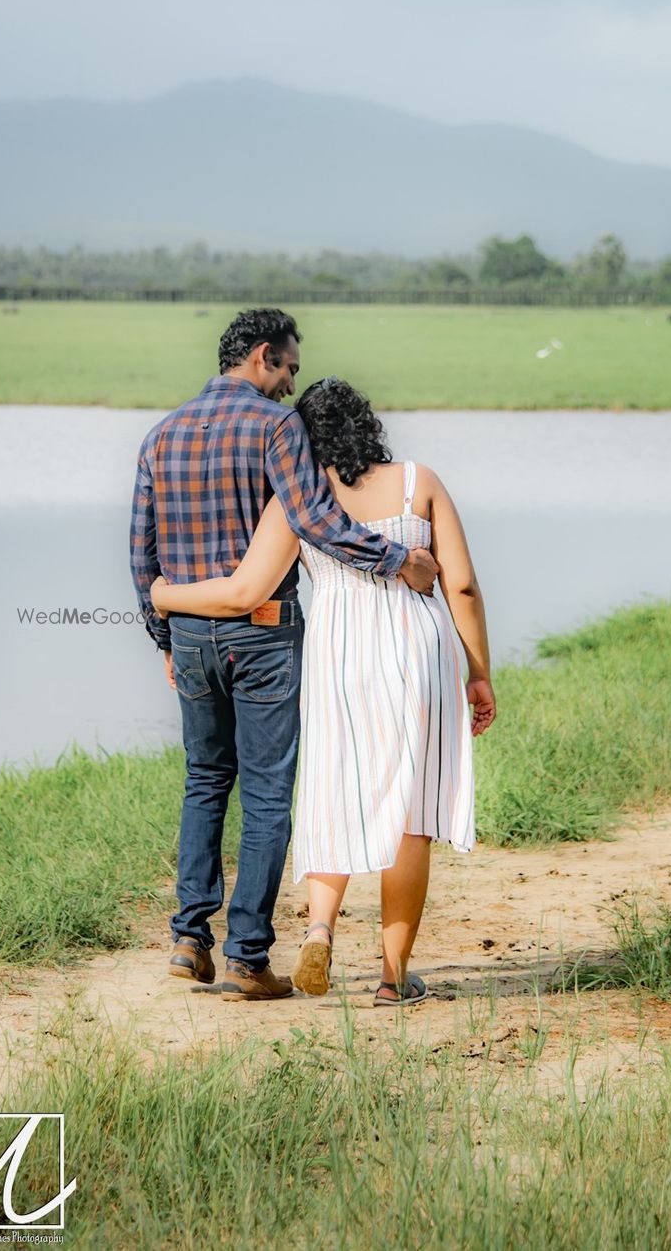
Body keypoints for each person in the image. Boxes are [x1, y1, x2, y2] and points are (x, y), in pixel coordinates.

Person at [151, 377, 496, 1006]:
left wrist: (165, 595)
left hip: (337, 656)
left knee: (334, 790)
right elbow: (463, 587)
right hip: (416, 649)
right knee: (411, 814)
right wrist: (479, 673)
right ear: (369, 424)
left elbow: (246, 588)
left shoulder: (299, 499)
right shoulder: (419, 482)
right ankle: (393, 979)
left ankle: (319, 931)